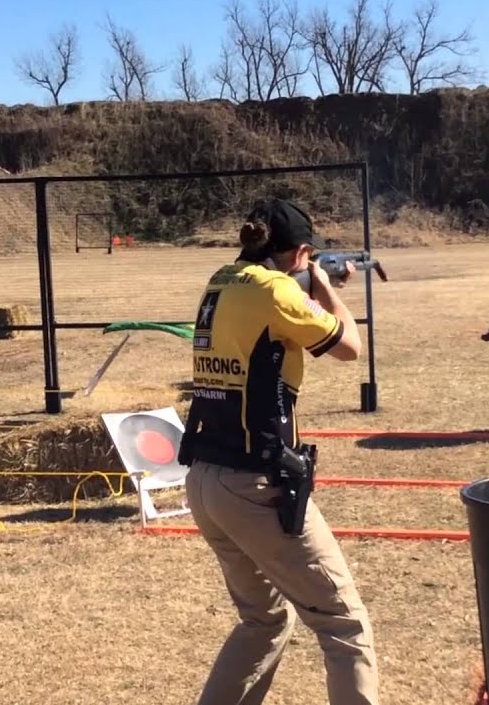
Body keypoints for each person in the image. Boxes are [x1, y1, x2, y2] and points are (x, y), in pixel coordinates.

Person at [176, 198, 379, 705]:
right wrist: (328, 289)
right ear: (302, 253)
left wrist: (307, 286)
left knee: (264, 620)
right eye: (310, 260)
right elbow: (349, 347)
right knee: (344, 624)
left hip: (206, 477)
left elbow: (269, 315)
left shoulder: (221, 279)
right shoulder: (278, 292)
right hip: (255, 481)